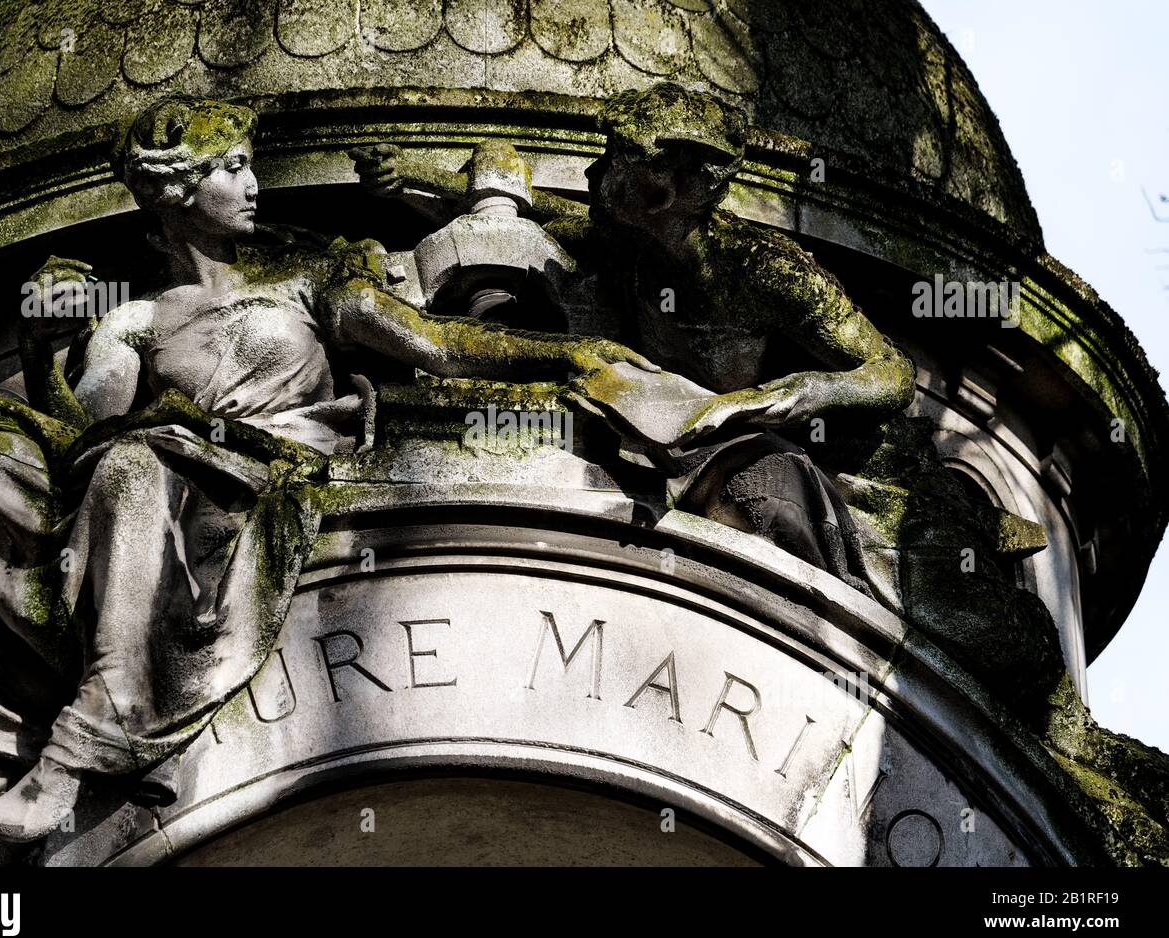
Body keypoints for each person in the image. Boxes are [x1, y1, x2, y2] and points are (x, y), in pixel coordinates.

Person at [0, 95, 653, 843]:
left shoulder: (307, 277)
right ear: (179, 188)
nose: (254, 186)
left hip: (276, 470)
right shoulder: (134, 321)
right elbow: (81, 437)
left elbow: (433, 344)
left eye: (250, 167)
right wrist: (41, 352)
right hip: (160, 483)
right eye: (233, 168)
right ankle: (41, 690)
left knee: (136, 462)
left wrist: (569, 357)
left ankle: (95, 723)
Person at [351, 83, 915, 593]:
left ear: (658, 196)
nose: (594, 173)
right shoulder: (631, 244)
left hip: (775, 446)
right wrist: (414, 178)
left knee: (773, 505)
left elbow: (892, 374)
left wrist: (791, 395)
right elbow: (540, 213)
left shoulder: (765, 272)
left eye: (614, 161)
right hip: (662, 433)